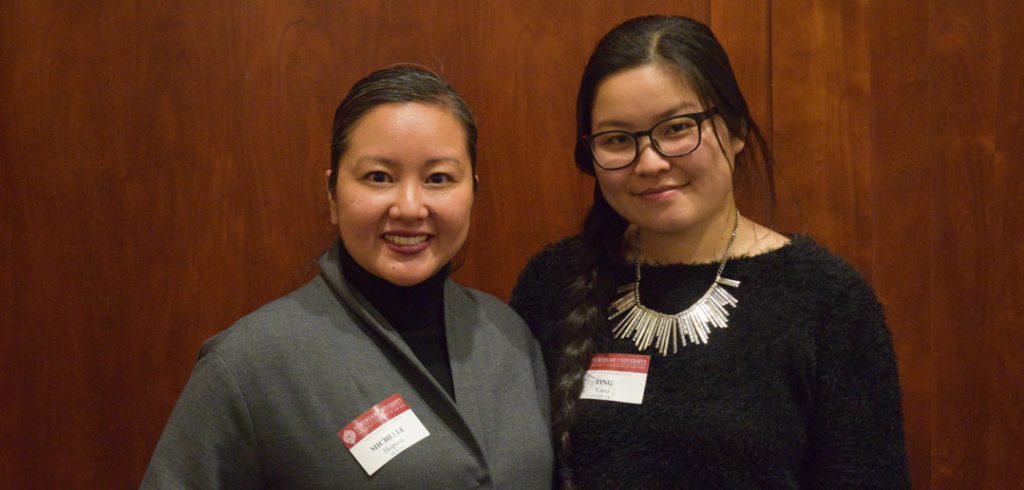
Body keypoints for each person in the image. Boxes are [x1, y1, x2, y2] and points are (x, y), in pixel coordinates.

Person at [510, 16, 910, 489]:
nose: (651, 162)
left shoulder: (826, 299)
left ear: (736, 129)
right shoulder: (552, 284)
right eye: (618, 140)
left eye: (678, 128)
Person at [142, 65, 553, 488]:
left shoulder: (509, 336)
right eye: (379, 177)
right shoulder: (249, 364)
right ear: (333, 194)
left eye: (438, 178)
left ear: (473, 193)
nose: (410, 207)